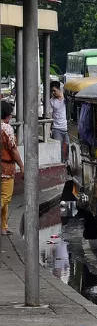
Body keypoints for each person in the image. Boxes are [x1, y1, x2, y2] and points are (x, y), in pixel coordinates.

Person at [1, 101, 24, 235]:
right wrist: (21, 165)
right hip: (6, 167)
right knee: (6, 197)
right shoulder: (7, 128)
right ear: (8, 115)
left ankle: (4, 226)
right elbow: (13, 150)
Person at [49, 81, 68, 163]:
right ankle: (60, 163)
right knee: (58, 148)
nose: (53, 93)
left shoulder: (67, 99)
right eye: (52, 91)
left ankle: (68, 162)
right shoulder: (51, 101)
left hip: (68, 128)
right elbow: (50, 115)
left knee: (69, 147)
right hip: (57, 128)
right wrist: (49, 129)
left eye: (54, 90)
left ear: (59, 89)